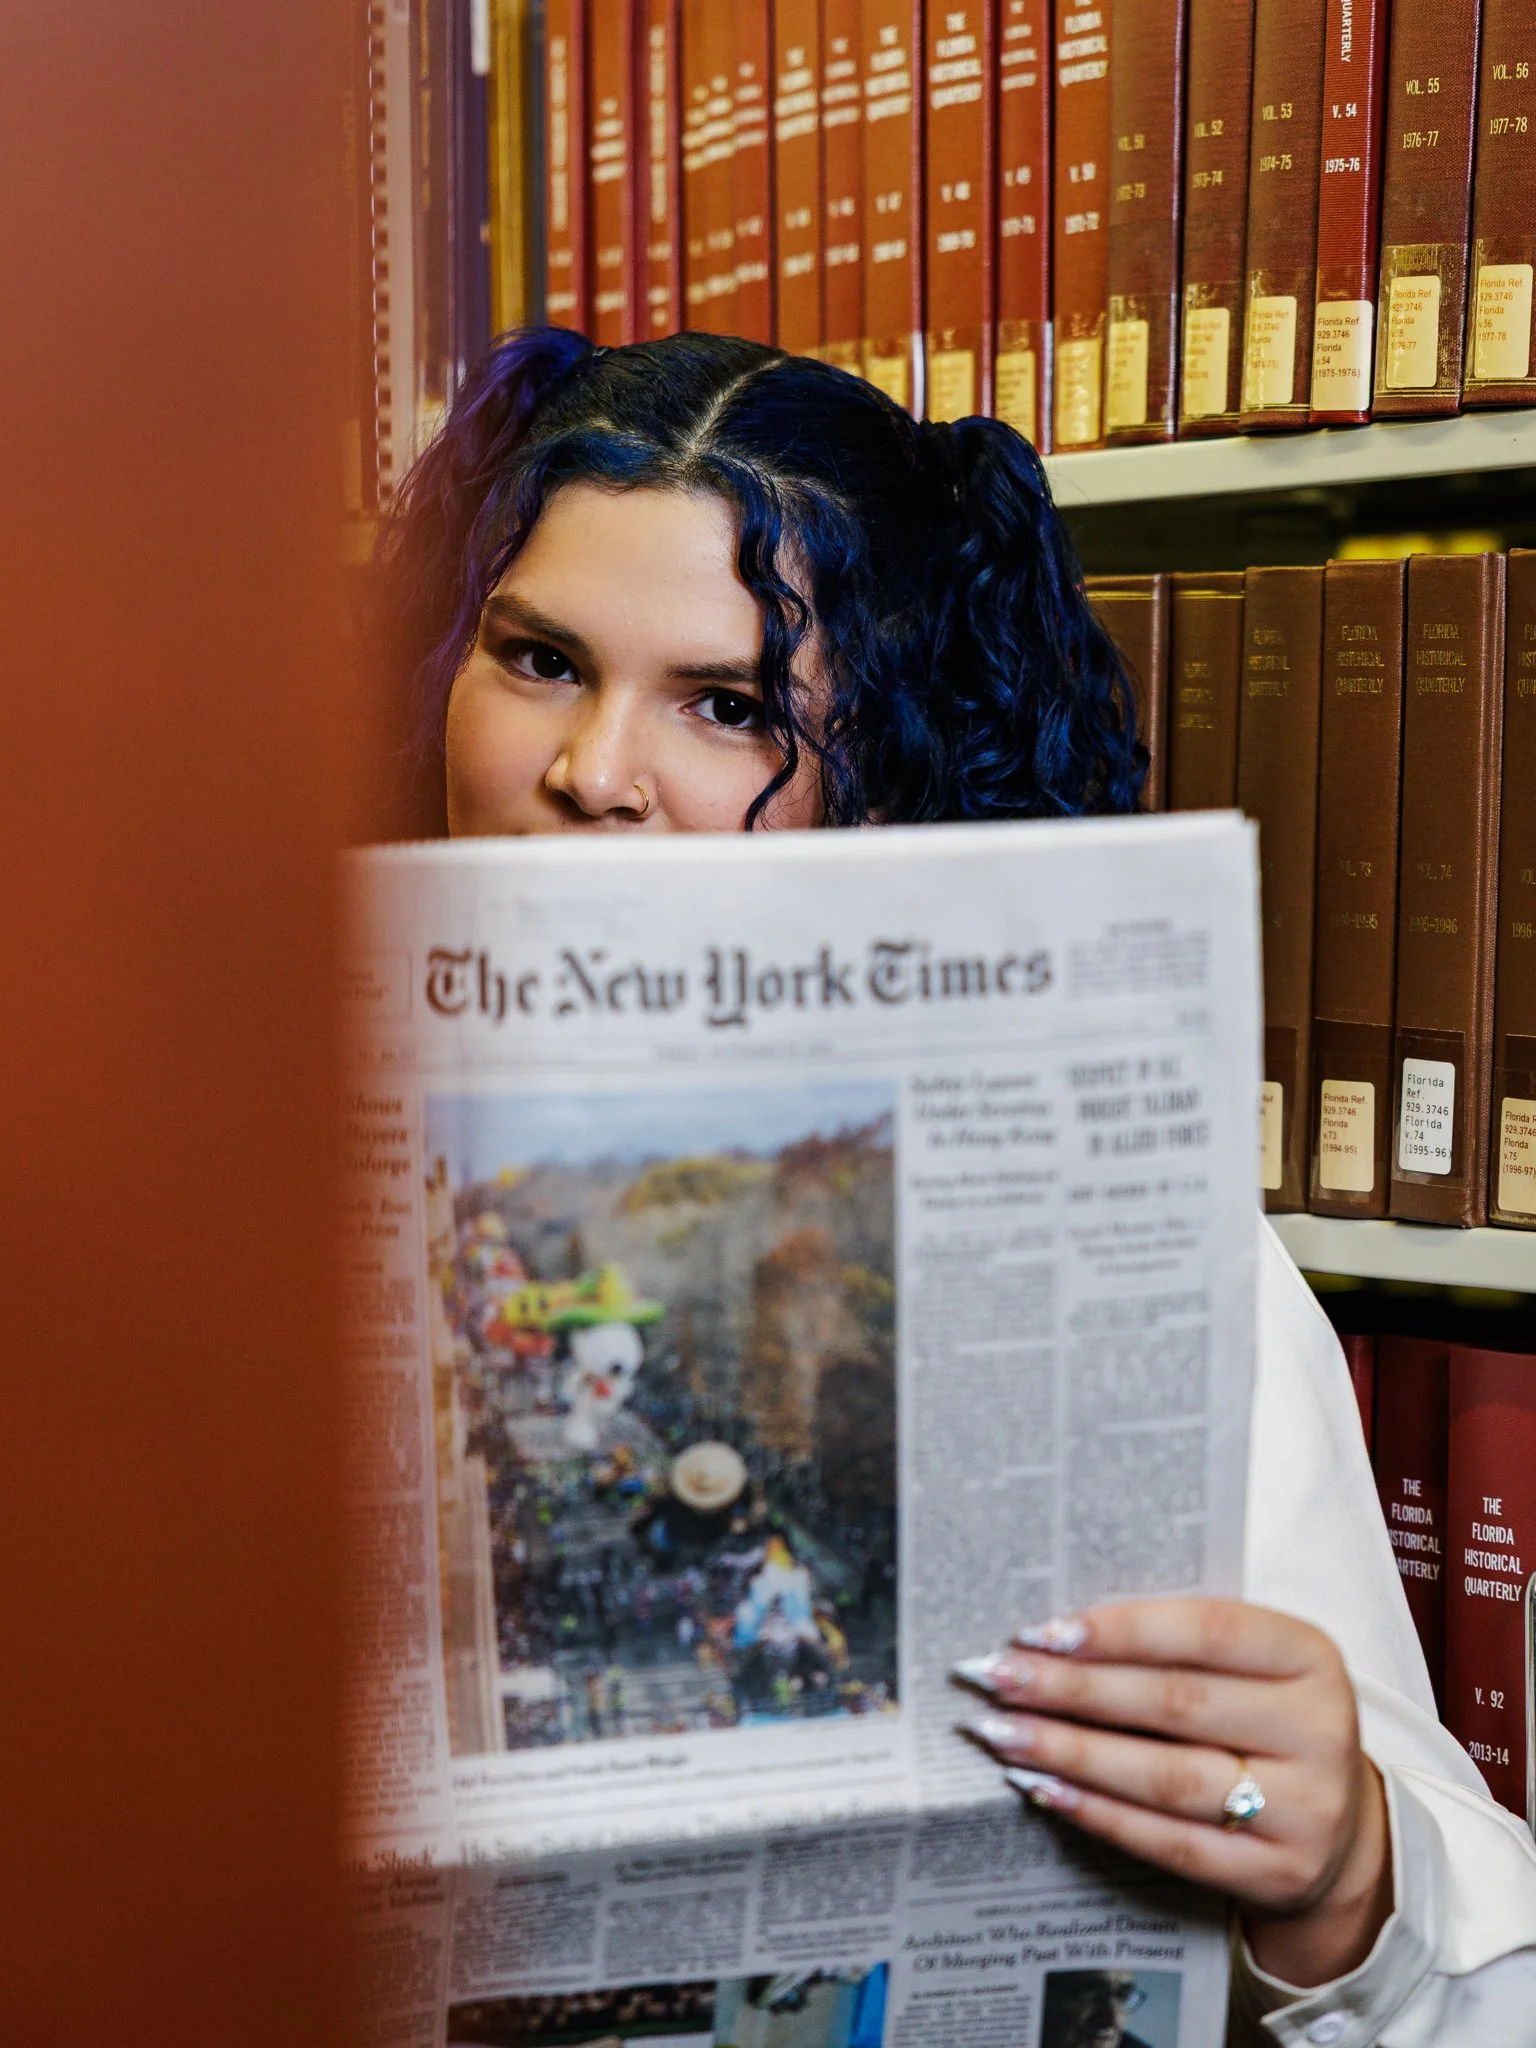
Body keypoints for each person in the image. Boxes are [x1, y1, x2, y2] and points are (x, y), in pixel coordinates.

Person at [374, 327, 1536, 2044]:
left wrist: (1347, 1883)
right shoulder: (186, 1164)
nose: (594, 777)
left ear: (879, 779)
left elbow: (1480, 2000)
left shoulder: (1130, 1252)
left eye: (730, 705)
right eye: (540, 659)